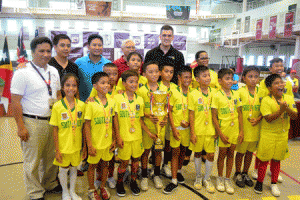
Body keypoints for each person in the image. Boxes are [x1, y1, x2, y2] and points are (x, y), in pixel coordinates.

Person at [11, 37, 62, 200]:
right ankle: (34, 192)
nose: (46, 54)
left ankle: (49, 183)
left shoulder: (53, 71)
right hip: (32, 122)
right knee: (32, 160)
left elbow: (58, 95)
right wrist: (20, 126)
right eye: (41, 51)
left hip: (52, 121)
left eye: (48, 51)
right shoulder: (22, 72)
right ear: (33, 52)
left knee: (51, 157)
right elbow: (15, 101)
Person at [254, 74, 297, 197]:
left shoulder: (288, 98)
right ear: (269, 88)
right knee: (263, 159)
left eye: (281, 82)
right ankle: (260, 182)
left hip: (282, 135)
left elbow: (294, 116)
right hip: (268, 134)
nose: (280, 85)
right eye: (276, 83)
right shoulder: (266, 100)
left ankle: (273, 183)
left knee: (277, 159)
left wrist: (286, 109)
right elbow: (268, 119)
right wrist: (282, 110)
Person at [252, 57, 292, 182]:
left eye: (282, 65)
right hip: (268, 118)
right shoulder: (264, 84)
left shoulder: (288, 83)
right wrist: (259, 117)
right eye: (277, 66)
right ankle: (257, 169)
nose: (280, 68)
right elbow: (261, 102)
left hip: (282, 123)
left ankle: (274, 171)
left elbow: (289, 101)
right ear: (271, 69)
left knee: (278, 151)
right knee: (263, 147)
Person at [114, 70, 150, 197]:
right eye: (131, 81)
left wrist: (148, 133)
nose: (134, 84)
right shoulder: (117, 98)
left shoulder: (139, 99)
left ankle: (133, 181)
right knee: (124, 162)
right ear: (124, 83)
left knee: (136, 160)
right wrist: (117, 137)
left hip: (137, 137)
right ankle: (119, 183)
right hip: (124, 137)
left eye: (136, 82)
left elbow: (140, 120)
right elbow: (115, 120)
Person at [50, 73, 85, 200]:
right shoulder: (57, 106)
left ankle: (72, 191)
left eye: (74, 85)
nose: (71, 88)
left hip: (76, 145)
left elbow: (84, 127)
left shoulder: (81, 105)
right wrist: (57, 149)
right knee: (63, 169)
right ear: (62, 87)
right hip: (63, 146)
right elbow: (55, 130)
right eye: (68, 85)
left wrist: (84, 147)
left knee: (74, 168)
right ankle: (65, 192)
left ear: (77, 87)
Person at [137, 61, 168, 190]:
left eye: (156, 71)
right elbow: (138, 112)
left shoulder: (165, 89)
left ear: (160, 73)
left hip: (161, 126)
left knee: (158, 152)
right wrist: (148, 115)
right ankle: (144, 175)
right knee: (145, 152)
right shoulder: (140, 90)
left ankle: (156, 174)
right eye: (150, 72)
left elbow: (167, 108)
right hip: (147, 127)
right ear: (144, 74)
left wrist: (165, 118)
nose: (154, 74)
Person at [211, 68, 243, 194]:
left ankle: (227, 178)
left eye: (232, 78)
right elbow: (214, 116)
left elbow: (239, 113)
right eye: (227, 78)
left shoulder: (236, 94)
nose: (230, 81)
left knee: (231, 154)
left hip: (234, 130)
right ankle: (219, 178)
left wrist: (241, 131)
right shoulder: (216, 95)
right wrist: (219, 133)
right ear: (220, 81)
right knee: (222, 155)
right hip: (223, 130)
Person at [84, 72, 116, 200]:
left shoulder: (112, 102)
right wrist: (89, 145)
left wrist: (114, 139)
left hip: (107, 141)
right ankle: (92, 189)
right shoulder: (90, 103)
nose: (106, 85)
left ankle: (103, 186)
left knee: (105, 165)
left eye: (108, 83)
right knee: (92, 166)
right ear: (95, 86)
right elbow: (86, 126)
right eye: (102, 83)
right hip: (95, 143)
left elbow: (113, 122)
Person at [163, 65, 193, 194]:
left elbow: (194, 112)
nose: (188, 80)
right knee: (175, 153)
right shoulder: (173, 92)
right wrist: (174, 128)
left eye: (190, 77)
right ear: (179, 78)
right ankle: (174, 180)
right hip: (176, 128)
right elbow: (169, 111)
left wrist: (190, 125)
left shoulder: (193, 93)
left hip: (187, 128)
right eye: (185, 77)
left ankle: (179, 171)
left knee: (183, 152)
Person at [188, 65, 217, 193]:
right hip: (198, 130)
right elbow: (191, 114)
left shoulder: (215, 93)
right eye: (204, 76)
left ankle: (207, 178)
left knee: (210, 154)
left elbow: (218, 113)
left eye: (208, 75)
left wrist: (217, 130)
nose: (207, 78)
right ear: (197, 79)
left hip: (211, 130)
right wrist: (192, 132)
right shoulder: (193, 94)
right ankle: (198, 176)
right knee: (198, 153)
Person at [234, 67, 262, 189]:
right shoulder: (239, 92)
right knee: (240, 152)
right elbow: (237, 112)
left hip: (255, 128)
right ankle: (237, 173)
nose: (253, 79)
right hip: (243, 129)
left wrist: (259, 118)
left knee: (250, 153)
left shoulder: (261, 92)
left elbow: (264, 110)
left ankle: (245, 173)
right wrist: (240, 130)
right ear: (244, 78)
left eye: (256, 76)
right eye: (250, 76)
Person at [76, 34, 111, 102]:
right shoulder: (79, 62)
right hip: (82, 103)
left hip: (103, 105)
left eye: (100, 45)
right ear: (88, 47)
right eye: (94, 45)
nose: (97, 48)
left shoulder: (108, 64)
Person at [158, 62, 177, 178]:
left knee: (168, 144)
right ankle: (156, 166)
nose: (169, 74)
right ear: (160, 73)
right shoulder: (156, 86)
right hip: (160, 120)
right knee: (158, 144)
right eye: (166, 71)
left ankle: (165, 164)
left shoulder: (175, 87)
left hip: (172, 119)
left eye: (171, 72)